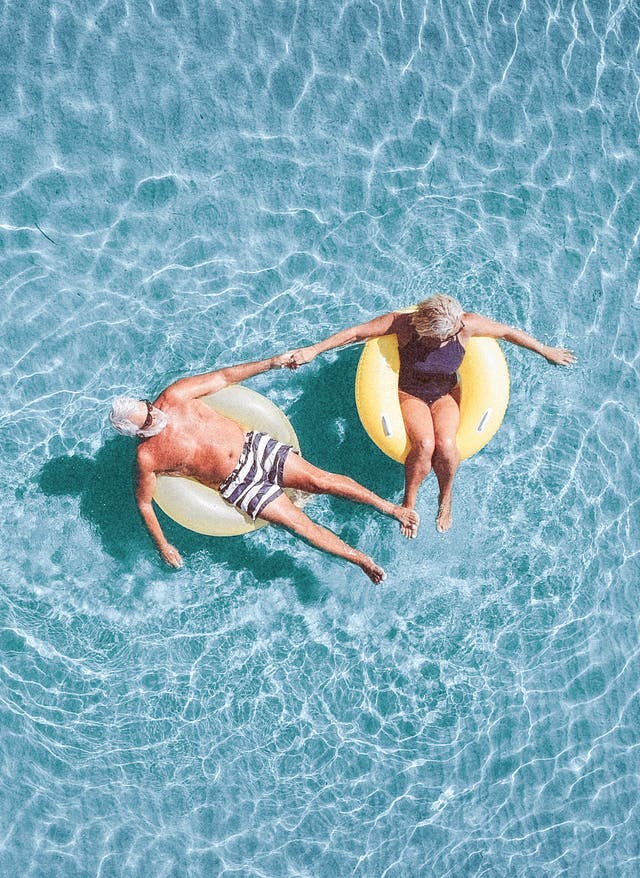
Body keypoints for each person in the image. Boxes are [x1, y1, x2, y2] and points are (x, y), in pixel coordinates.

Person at [283, 294, 576, 537]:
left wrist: (544, 349)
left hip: (445, 394)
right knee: (424, 445)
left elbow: (507, 332)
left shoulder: (465, 325)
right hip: (410, 394)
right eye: (438, 338)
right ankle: (409, 501)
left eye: (447, 336)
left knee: (447, 446)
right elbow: (357, 332)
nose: (445, 340)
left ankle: (444, 498)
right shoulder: (403, 325)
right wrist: (314, 350)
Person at [108, 354, 419, 583]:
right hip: (237, 485)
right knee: (299, 526)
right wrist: (164, 546)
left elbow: (225, 377)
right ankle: (360, 560)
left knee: (318, 480)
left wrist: (272, 363)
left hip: (254, 446)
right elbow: (144, 503)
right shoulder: (148, 457)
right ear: (136, 432)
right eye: (147, 421)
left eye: (148, 406)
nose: (155, 415)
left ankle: (390, 508)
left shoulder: (174, 396)